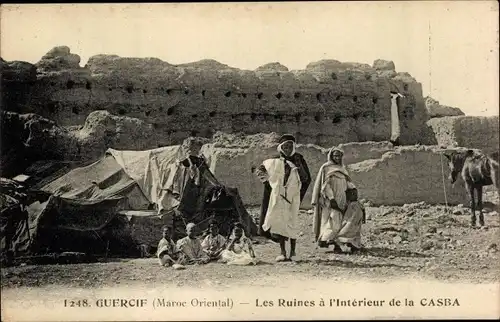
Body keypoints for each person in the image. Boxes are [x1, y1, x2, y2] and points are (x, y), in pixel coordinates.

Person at [255, 134, 312, 262]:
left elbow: (306, 178)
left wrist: (297, 167)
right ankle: (282, 252)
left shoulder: (299, 159)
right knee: (280, 223)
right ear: (281, 147)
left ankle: (293, 252)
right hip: (279, 196)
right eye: (285, 146)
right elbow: (260, 170)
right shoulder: (274, 161)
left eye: (290, 146)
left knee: (292, 222)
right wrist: (268, 182)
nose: (287, 149)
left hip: (293, 196)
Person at [311, 146, 365, 253]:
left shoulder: (342, 168)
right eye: (335, 155)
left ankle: (338, 244)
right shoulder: (326, 168)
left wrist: (353, 189)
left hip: (343, 198)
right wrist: (331, 199)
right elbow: (326, 186)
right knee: (333, 222)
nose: (337, 157)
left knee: (342, 221)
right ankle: (328, 240)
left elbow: (347, 182)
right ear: (331, 156)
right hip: (331, 199)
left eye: (339, 155)